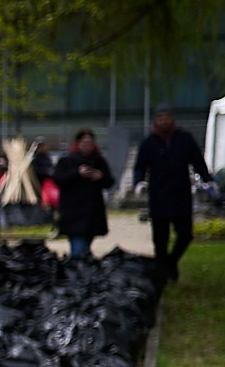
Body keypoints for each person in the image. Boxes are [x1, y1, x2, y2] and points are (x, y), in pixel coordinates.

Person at [132, 106, 214, 281]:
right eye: (160, 118)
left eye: (167, 117)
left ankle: (171, 262)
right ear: (155, 121)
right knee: (160, 238)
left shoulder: (184, 139)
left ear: (172, 119)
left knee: (185, 234)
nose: (164, 121)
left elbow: (197, 161)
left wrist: (207, 178)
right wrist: (138, 182)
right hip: (159, 195)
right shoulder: (149, 142)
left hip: (180, 193)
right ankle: (163, 272)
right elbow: (140, 166)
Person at [51, 129, 113, 260]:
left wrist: (100, 176)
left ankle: (82, 268)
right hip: (73, 212)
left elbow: (110, 181)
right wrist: (77, 174)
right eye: (84, 143)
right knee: (78, 251)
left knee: (84, 250)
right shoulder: (67, 161)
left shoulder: (99, 161)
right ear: (78, 144)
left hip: (93, 213)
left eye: (90, 143)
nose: (87, 146)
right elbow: (58, 179)